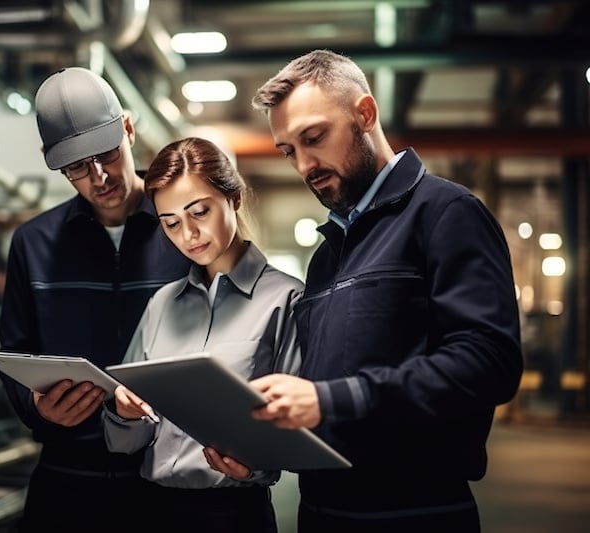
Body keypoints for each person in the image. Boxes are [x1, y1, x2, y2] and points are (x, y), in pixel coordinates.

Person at [207, 49, 524, 532]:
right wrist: (258, 452)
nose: (304, 164)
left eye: (314, 137)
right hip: (321, 514)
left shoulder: (444, 214)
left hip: (416, 515)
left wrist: (332, 400)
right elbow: (319, 403)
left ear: (365, 114)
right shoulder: (326, 256)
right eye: (289, 150)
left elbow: (490, 364)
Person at [0, 67, 191, 532]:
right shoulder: (33, 244)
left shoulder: (187, 228)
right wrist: (35, 406)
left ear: (128, 127)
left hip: (171, 483)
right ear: (51, 159)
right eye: (77, 167)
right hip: (69, 485)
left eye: (106, 154)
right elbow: (15, 351)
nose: (99, 176)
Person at [102, 136, 304, 533]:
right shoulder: (161, 304)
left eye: (199, 212)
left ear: (234, 199)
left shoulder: (286, 299)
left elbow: (298, 432)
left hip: (233, 514)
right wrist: (124, 413)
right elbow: (121, 442)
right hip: (149, 510)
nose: (188, 234)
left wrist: (254, 463)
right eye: (171, 223)